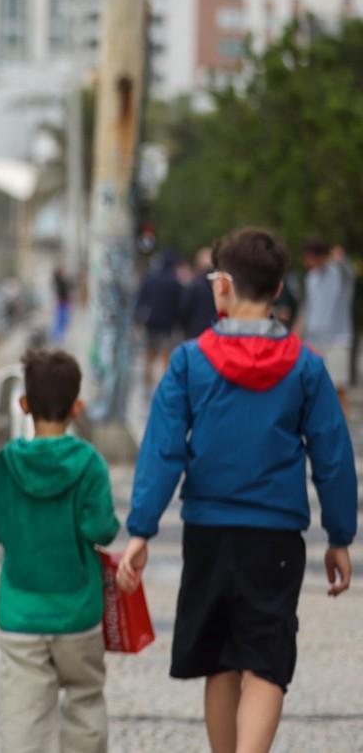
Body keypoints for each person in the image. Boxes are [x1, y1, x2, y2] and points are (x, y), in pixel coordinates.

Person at [118, 227, 356, 753]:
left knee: (220, 661)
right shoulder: (306, 366)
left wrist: (141, 529)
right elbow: (333, 455)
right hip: (275, 538)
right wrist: (340, 535)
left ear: (222, 285)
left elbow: (163, 450)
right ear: (278, 290)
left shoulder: (188, 362)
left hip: (209, 532)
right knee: (268, 663)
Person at [0, 349, 118, 753]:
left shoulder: (6, 464)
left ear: (23, 405)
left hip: (21, 616)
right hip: (78, 612)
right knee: (85, 699)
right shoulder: (89, 463)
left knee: (24, 714)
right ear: (77, 407)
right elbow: (101, 529)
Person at [298, 238, 355, 408]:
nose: (306, 262)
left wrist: (336, 257)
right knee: (313, 387)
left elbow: (347, 268)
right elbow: (308, 307)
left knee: (338, 387)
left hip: (337, 338)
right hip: (313, 339)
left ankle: (343, 423)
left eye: (308, 257)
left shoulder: (339, 272)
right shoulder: (310, 277)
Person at [136, 253, 183, 388]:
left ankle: (147, 379)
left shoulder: (151, 278)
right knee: (165, 354)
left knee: (149, 352)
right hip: (167, 324)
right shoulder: (175, 282)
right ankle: (162, 383)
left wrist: (139, 319)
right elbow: (179, 304)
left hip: (150, 321)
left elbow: (141, 298)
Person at [178, 247, 218, 340]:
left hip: (194, 334)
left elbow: (183, 310)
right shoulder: (222, 286)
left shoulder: (194, 285)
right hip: (215, 336)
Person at [51, 267, 73, 345]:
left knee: (61, 320)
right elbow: (64, 292)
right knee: (61, 320)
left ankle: (57, 336)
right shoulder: (60, 282)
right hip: (62, 302)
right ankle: (58, 336)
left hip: (63, 302)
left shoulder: (60, 282)